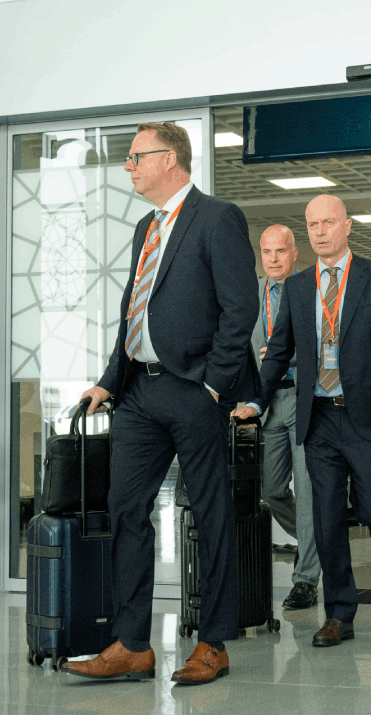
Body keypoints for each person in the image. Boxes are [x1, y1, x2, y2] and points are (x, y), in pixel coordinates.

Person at [65, 122, 258, 686]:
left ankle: (213, 643)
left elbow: (240, 309)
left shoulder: (217, 218)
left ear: (169, 158)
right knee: (125, 509)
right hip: (138, 393)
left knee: (208, 512)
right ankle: (131, 644)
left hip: (193, 390)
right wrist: (109, 380)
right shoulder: (145, 228)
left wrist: (214, 386)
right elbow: (134, 308)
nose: (128, 167)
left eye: (136, 157)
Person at [233, 194, 371, 647]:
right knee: (327, 518)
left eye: (328, 223)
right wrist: (256, 402)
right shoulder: (299, 287)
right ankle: (339, 612)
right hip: (317, 419)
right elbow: (278, 353)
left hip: (369, 418)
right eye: (313, 224)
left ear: (347, 226)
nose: (320, 231)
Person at [253, 225, 321, 610]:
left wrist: (284, 355)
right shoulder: (251, 294)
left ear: (295, 253)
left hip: (302, 397)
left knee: (308, 492)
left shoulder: (312, 290)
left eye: (280, 251)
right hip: (267, 402)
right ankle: (316, 541)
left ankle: (306, 578)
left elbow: (326, 342)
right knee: (271, 488)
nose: (274, 259)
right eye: (267, 252)